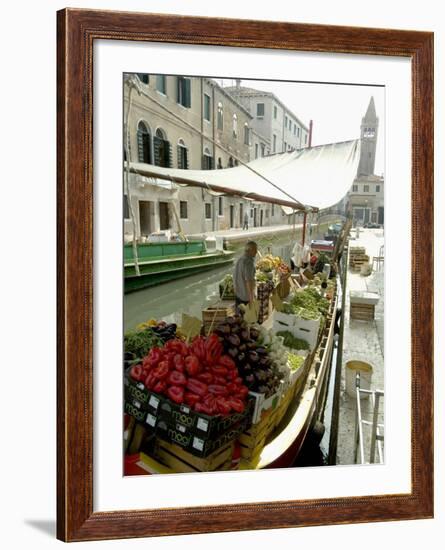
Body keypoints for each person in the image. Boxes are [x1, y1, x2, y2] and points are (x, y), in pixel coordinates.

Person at [233, 241, 257, 312]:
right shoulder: (248, 262)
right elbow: (248, 281)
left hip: (238, 295)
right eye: (255, 250)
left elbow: (234, 277)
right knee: (248, 320)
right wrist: (251, 299)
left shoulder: (240, 259)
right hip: (245, 298)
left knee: (240, 320)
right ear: (250, 250)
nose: (256, 252)